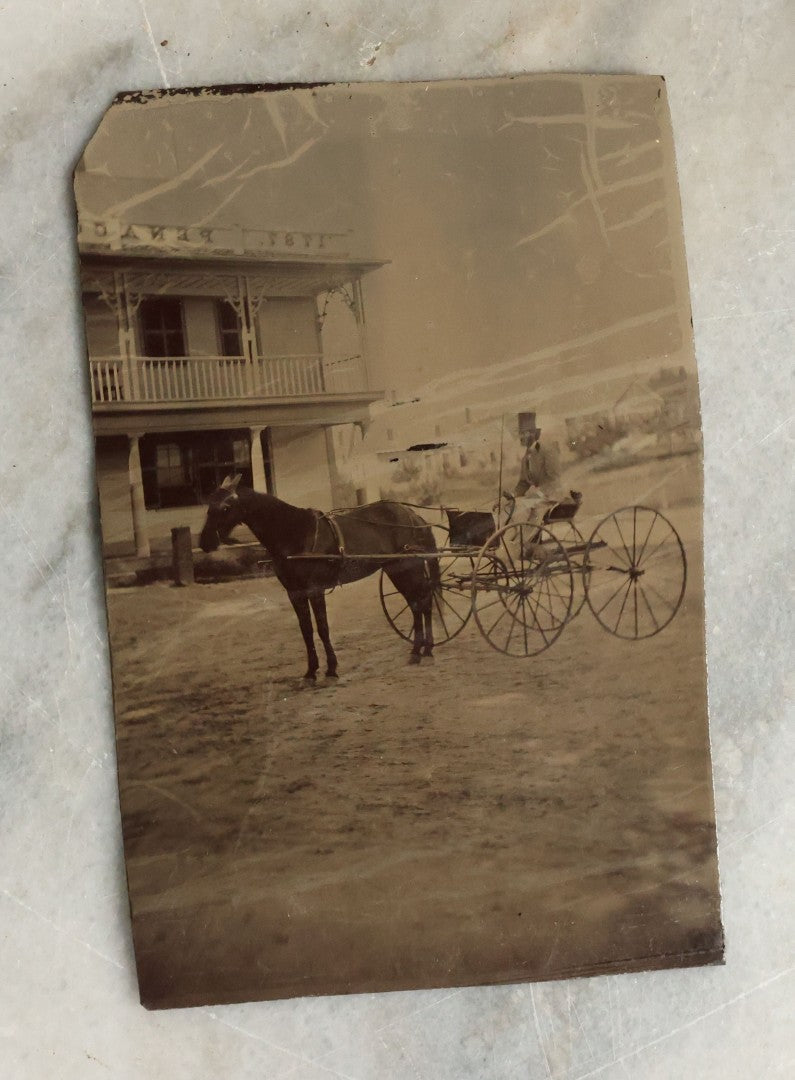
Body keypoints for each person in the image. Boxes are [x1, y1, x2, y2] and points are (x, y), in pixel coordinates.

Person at [502, 422, 566, 527]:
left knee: (523, 506)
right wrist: (512, 495)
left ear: (532, 434)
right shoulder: (525, 457)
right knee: (509, 506)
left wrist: (537, 495)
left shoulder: (548, 451)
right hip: (540, 497)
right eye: (519, 434)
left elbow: (554, 479)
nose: (520, 437)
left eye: (523, 433)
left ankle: (526, 536)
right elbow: (523, 484)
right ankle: (517, 535)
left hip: (552, 496)